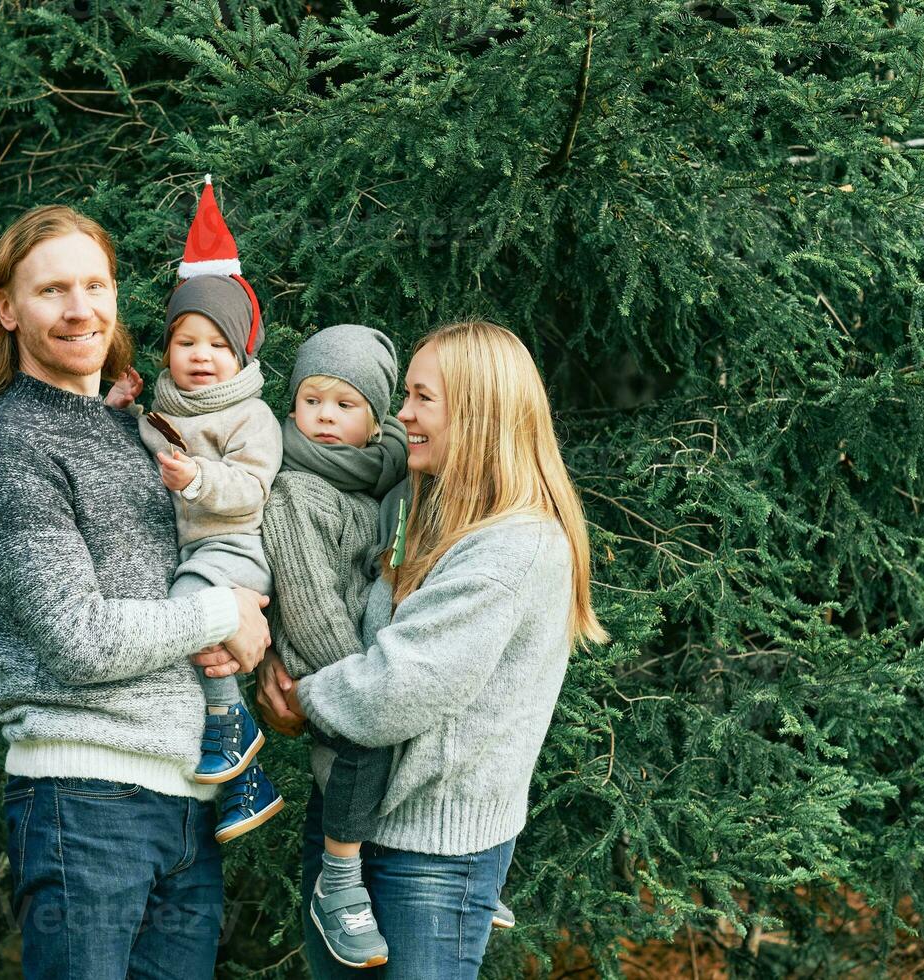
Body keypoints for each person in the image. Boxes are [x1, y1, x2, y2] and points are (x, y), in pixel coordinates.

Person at [0, 203, 271, 979]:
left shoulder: (143, 431)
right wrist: (223, 612)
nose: (80, 308)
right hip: (82, 799)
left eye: (96, 285)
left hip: (189, 801)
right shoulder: (10, 450)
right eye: (53, 290)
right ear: (7, 309)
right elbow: (79, 639)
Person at [254, 320, 610, 977]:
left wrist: (302, 695)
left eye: (421, 398)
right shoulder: (419, 509)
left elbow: (394, 691)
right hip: (359, 832)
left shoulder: (512, 545)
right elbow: (358, 633)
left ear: (476, 412)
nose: (404, 414)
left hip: (429, 856)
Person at [131, 176, 285, 843]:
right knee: (195, 636)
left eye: (218, 345)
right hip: (190, 551)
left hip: (233, 551)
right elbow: (142, 444)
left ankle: (233, 725)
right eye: (187, 341)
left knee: (194, 604)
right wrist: (118, 409)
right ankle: (248, 786)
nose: (201, 356)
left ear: (241, 352)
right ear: (166, 347)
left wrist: (197, 478)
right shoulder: (164, 409)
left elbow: (251, 487)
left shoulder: (251, 416)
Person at [260, 323, 408, 967]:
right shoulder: (296, 490)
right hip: (325, 663)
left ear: (375, 423)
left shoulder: (380, 484)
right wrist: (356, 679)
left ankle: (453, 880)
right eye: (311, 401)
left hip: (363, 665)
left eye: (345, 405)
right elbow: (310, 599)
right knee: (357, 758)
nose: (324, 417)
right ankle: (340, 885)